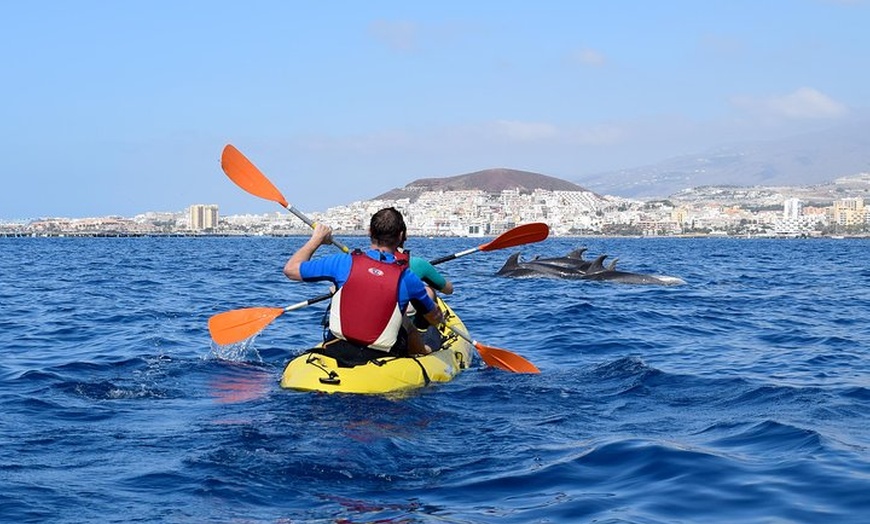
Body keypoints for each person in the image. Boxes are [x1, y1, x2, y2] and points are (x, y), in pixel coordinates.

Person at [283, 207, 443, 364]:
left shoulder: (343, 262)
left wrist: (316, 239)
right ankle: (424, 352)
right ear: (401, 236)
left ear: (369, 232)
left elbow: (291, 270)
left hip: (336, 349)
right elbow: (433, 318)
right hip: (382, 355)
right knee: (408, 323)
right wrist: (436, 315)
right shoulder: (408, 278)